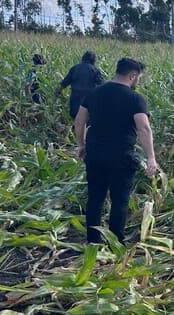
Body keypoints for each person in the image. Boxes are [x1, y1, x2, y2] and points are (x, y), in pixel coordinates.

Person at [74, 58, 157, 244]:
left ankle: (93, 240)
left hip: (95, 154)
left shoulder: (94, 93)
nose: (138, 82)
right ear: (132, 75)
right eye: (139, 78)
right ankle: (116, 241)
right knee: (120, 201)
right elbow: (144, 128)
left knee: (95, 198)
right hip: (121, 156)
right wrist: (151, 157)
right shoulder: (135, 98)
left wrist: (81, 145)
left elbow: (79, 121)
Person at [57, 51, 104, 119]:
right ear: (93, 60)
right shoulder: (95, 70)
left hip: (75, 99)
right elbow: (101, 85)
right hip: (88, 101)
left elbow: (64, 83)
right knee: (86, 121)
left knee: (76, 119)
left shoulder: (75, 68)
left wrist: (58, 93)